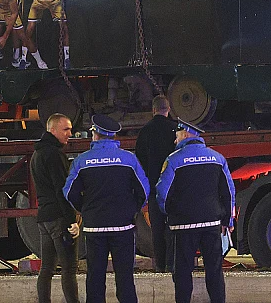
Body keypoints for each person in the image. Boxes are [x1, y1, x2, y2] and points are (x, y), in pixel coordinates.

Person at [64, 115, 149, 303]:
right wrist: (132, 210)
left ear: (95, 134)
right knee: (125, 279)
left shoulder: (82, 161)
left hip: (95, 228)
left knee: (95, 279)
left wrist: (85, 209)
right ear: (113, 137)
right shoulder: (129, 159)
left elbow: (69, 192)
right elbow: (144, 190)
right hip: (123, 228)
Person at [156, 121, 235, 303]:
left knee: (183, 272)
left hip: (183, 225)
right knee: (214, 271)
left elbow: (163, 193)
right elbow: (228, 191)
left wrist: (170, 213)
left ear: (185, 134)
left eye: (177, 134)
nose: (175, 140)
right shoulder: (217, 158)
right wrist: (227, 221)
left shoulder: (174, 159)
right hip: (211, 224)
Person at [31, 113, 80, 303]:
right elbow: (62, 190)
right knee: (69, 267)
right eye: (66, 129)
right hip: (59, 218)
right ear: (52, 130)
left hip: (44, 217)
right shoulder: (54, 154)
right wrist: (71, 221)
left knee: (47, 268)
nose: (70, 133)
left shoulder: (37, 153)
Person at [135, 95, 177, 272]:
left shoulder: (145, 131)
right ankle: (173, 264)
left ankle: (160, 265)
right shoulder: (175, 130)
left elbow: (139, 163)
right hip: (174, 191)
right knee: (174, 228)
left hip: (154, 190)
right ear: (168, 110)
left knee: (158, 231)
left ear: (153, 110)